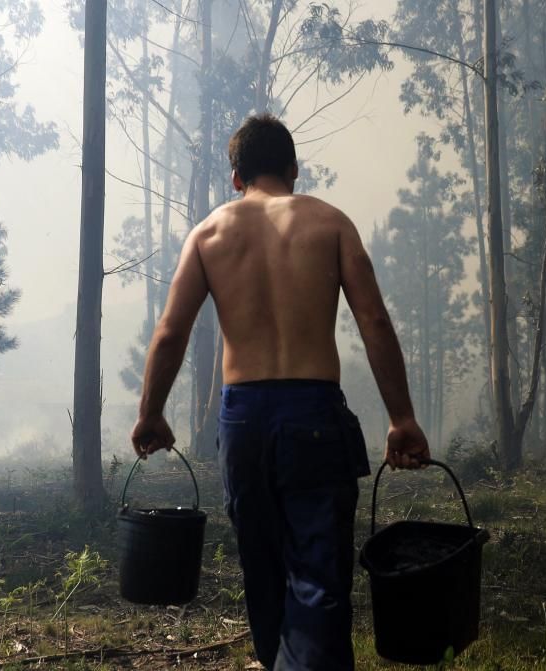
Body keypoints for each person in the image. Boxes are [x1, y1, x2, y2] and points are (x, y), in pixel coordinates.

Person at [131, 114, 429, 671]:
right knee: (318, 575)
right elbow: (375, 323)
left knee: (262, 567)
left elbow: (170, 333)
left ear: (236, 174)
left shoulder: (209, 233)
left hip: (243, 420)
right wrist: (402, 418)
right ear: (294, 169)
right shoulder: (330, 223)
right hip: (313, 411)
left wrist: (151, 413)